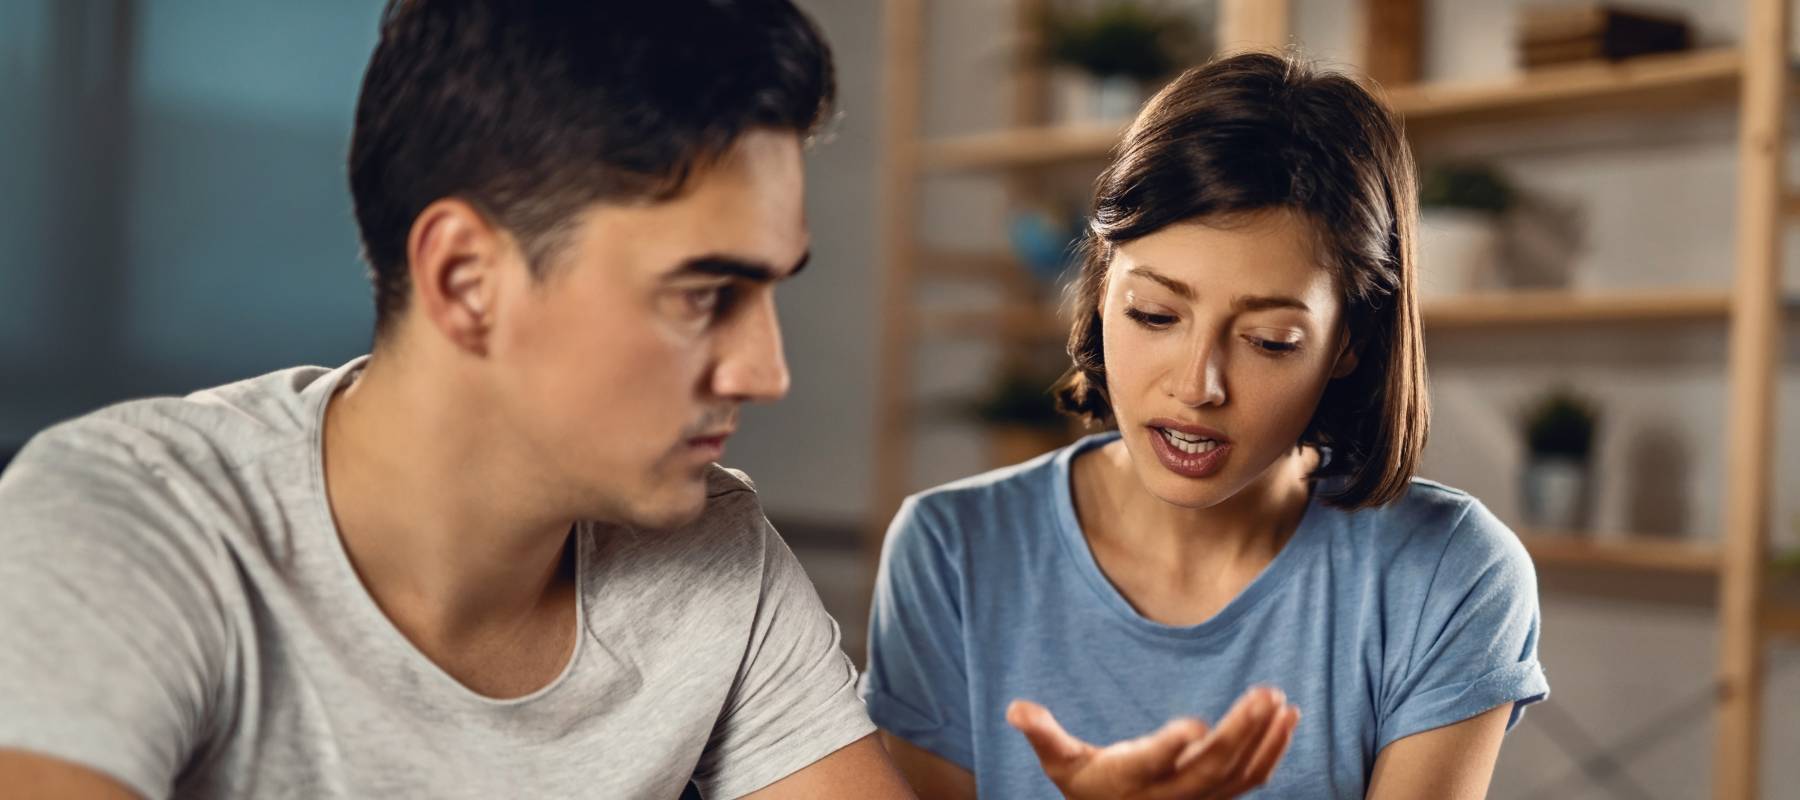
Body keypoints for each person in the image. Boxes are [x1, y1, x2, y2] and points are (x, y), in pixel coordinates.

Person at [0, 2, 917, 798]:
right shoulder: (124, 522)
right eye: (704, 295)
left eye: (770, 291)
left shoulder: (722, 555)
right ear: (467, 280)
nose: (765, 371)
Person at [863, 51, 1549, 799]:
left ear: (1349, 341)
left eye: (1269, 341)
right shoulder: (953, 551)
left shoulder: (1447, 573)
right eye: (1154, 315)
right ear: (1098, 293)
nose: (1197, 386)